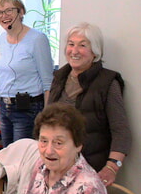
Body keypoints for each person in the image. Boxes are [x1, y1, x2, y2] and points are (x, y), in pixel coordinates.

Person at [8, 103, 107, 194]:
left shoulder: (87, 190)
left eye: (58, 143)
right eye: (43, 141)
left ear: (78, 144)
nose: (48, 151)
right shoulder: (41, 167)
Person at [48, 22, 131, 185]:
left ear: (95, 52)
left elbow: (121, 131)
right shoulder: (59, 77)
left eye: (82, 45)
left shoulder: (108, 82)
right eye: (71, 44)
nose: (74, 51)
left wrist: (112, 167)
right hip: (56, 165)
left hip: (89, 169)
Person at [0, 0, 53, 147]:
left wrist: (45, 118)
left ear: (21, 12)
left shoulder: (37, 39)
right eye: (0, 12)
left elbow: (48, 82)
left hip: (27, 108)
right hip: (4, 105)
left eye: (9, 11)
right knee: (8, 156)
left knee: (22, 158)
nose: (4, 16)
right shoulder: (2, 38)